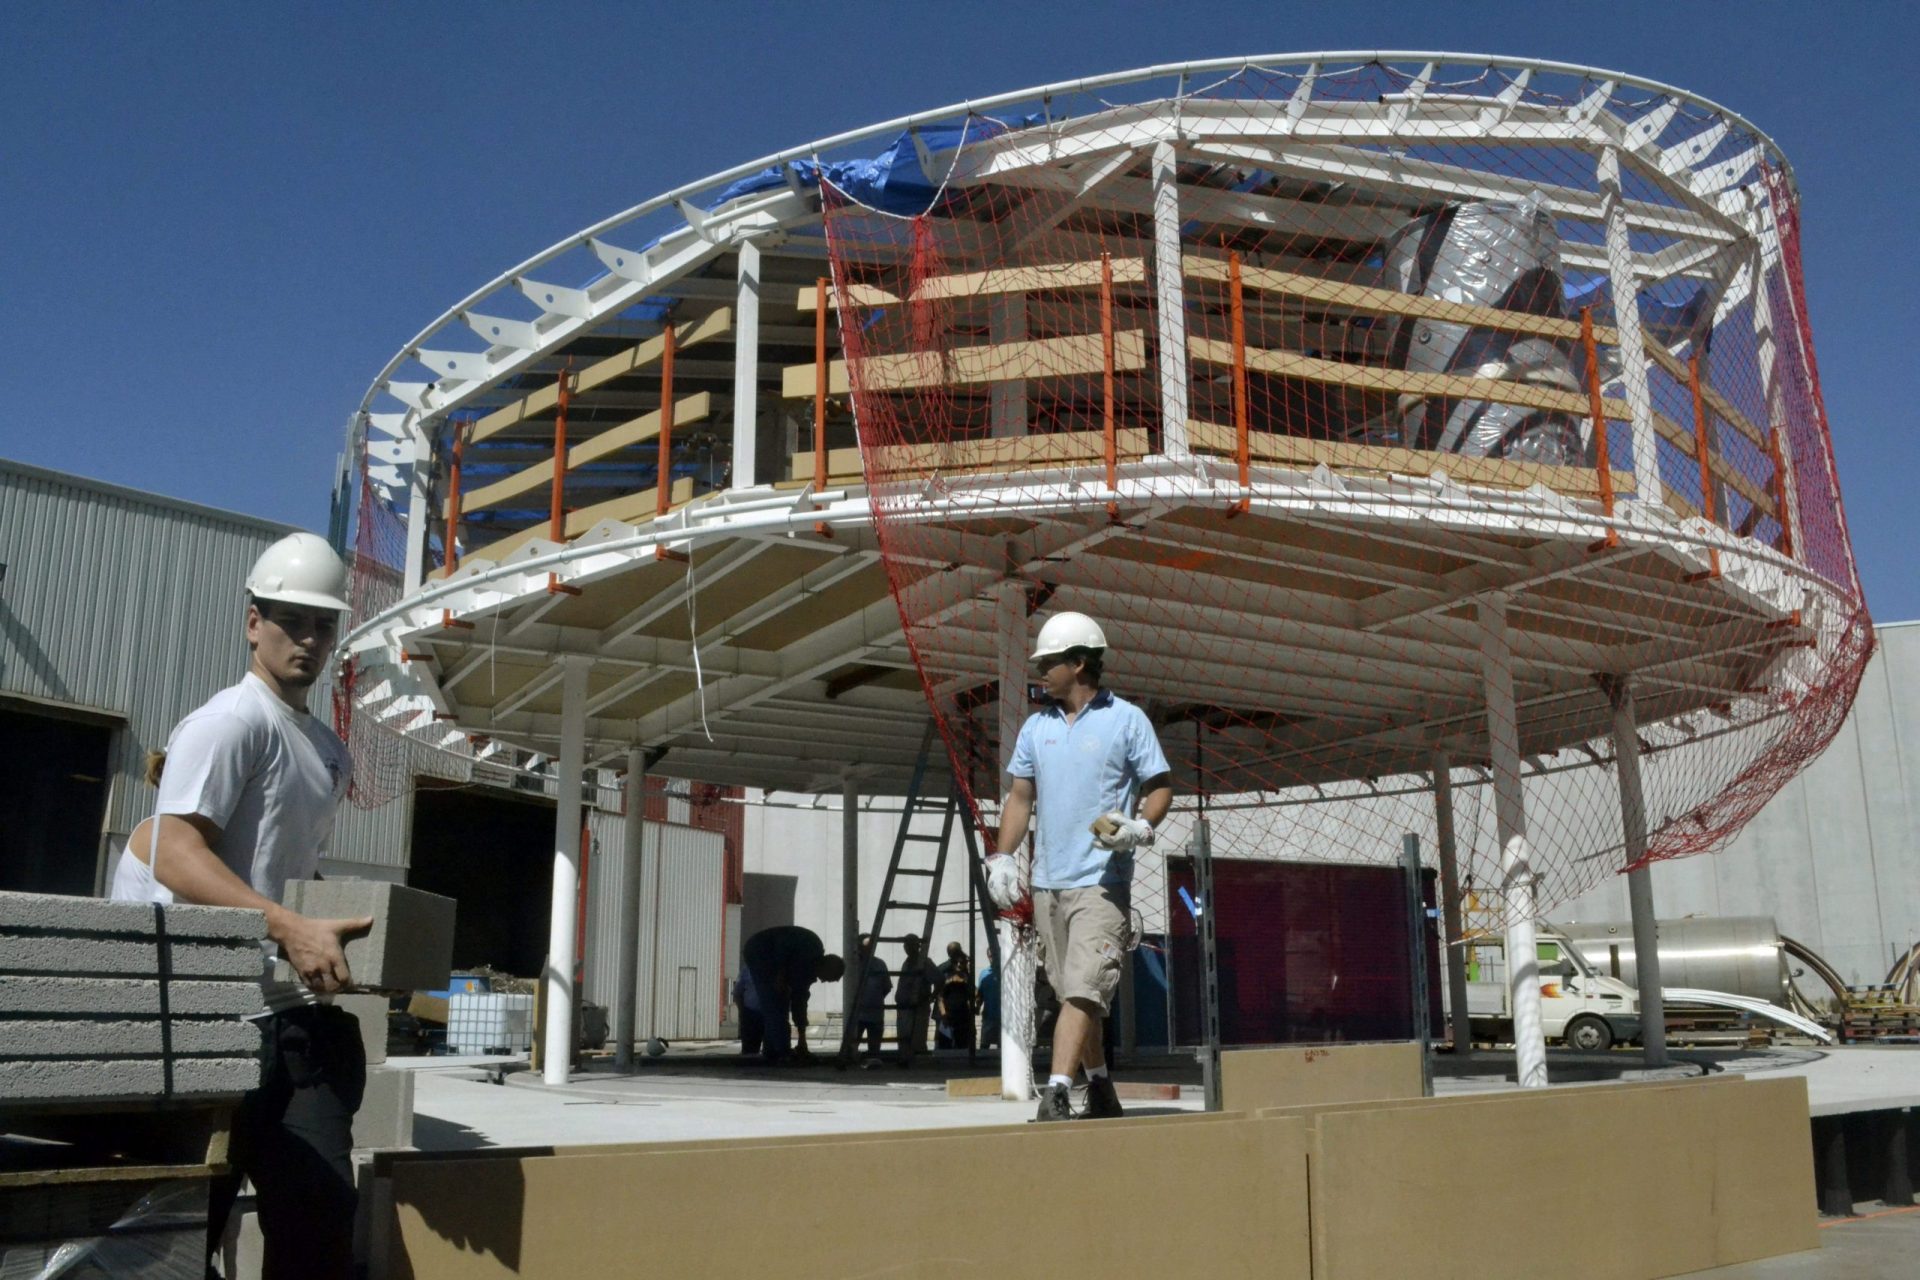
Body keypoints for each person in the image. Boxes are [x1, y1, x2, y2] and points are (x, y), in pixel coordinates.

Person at [109, 531, 373, 1279]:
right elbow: (171, 850)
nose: (310, 639)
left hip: (285, 1021)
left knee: (320, 1221)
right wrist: (286, 925)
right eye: (292, 620)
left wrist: (332, 927)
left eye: (324, 625)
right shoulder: (231, 723)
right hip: (203, 1021)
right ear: (253, 621)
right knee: (183, 1235)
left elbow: (284, 872)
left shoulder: (327, 750)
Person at [984, 611, 1171, 1122]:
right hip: (1048, 884)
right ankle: (1103, 1089)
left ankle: (1058, 1091)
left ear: (1080, 663)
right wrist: (1001, 855)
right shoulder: (1035, 728)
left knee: (1085, 989)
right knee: (1073, 995)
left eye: (1049, 662)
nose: (1041, 671)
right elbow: (1020, 798)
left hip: (1102, 884)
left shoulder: (1127, 720)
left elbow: (1159, 787)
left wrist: (1142, 826)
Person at [738, 924, 844, 1064]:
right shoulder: (810, 947)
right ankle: (779, 1051)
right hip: (759, 952)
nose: (823, 981)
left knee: (780, 1004)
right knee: (774, 1003)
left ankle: (775, 1050)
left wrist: (802, 1039)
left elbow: (799, 1004)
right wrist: (780, 974)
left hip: (773, 958)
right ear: (826, 967)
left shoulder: (807, 972)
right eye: (827, 978)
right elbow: (782, 944)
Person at [840, 933, 890, 1064]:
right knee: (853, 1041)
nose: (869, 949)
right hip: (858, 1013)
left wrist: (875, 999)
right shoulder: (853, 965)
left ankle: (873, 1062)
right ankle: (850, 1061)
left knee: (874, 1045)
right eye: (866, 947)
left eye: (871, 946)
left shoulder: (880, 964)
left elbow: (887, 986)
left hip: (875, 1013)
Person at [891, 933, 939, 1067]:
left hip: (918, 1007)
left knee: (917, 1038)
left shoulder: (924, 962)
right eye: (906, 945)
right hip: (904, 1006)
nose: (907, 948)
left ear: (917, 946)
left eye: (910, 945)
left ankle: (917, 1063)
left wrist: (931, 997)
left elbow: (939, 980)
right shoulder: (907, 962)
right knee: (904, 1036)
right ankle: (905, 1059)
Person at [936, 941, 976, 1051]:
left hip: (963, 1017)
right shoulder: (946, 973)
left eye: (961, 963)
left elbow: (973, 994)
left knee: (962, 1045)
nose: (959, 964)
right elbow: (940, 997)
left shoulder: (967, 978)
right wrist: (944, 1015)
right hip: (948, 1016)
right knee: (945, 1046)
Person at [976, 963, 1000, 1052]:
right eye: (990, 956)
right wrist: (977, 1007)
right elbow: (980, 994)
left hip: (1003, 1018)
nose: (993, 958)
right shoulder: (984, 973)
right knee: (984, 1045)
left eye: (995, 955)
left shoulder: (1005, 971)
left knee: (1002, 1046)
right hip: (988, 1016)